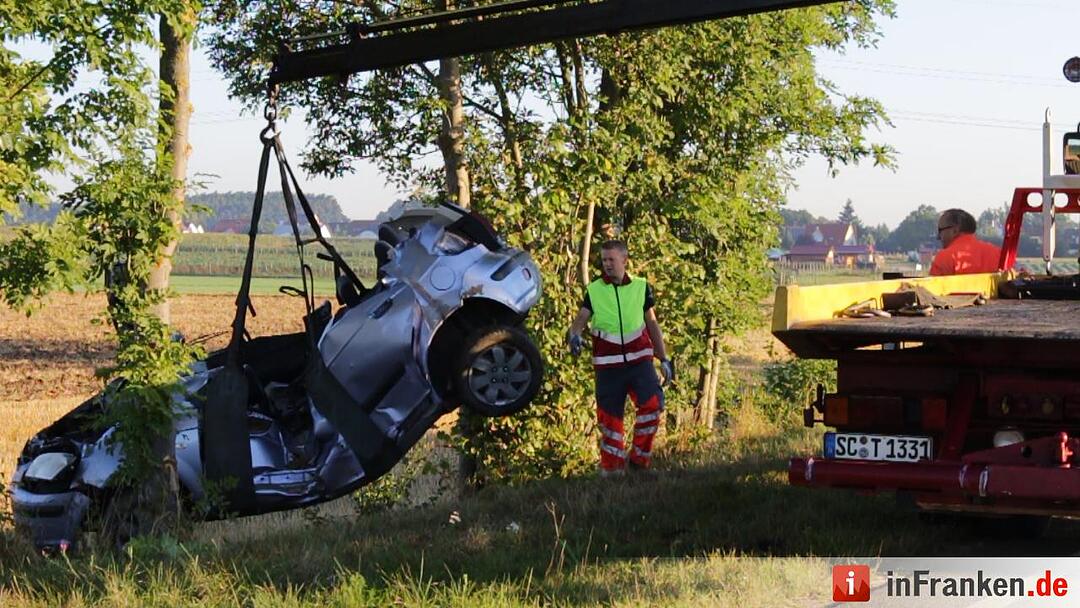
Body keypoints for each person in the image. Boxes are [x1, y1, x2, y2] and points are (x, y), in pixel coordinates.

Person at [567, 240, 674, 476]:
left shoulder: (641, 287)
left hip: (639, 363)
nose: (606, 265)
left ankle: (638, 463)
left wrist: (664, 358)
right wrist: (574, 335)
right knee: (610, 422)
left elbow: (652, 324)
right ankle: (613, 473)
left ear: (624, 261)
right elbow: (580, 321)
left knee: (653, 406)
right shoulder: (594, 290)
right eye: (604, 260)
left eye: (611, 260)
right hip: (608, 368)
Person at [930, 209, 1002, 276]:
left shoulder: (944, 257)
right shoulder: (997, 253)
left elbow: (932, 288)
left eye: (940, 231)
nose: (938, 237)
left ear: (955, 231)